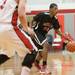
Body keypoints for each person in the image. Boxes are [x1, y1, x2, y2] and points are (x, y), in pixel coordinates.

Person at [0, 0, 38, 75]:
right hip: (10, 27)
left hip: (1, 28)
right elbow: (21, 14)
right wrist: (27, 28)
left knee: (7, 53)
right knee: (32, 51)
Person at [34, 3, 70, 74]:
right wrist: (30, 29)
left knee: (42, 53)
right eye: (55, 8)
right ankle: (44, 67)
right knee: (46, 45)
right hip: (36, 33)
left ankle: (37, 63)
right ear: (50, 9)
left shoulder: (55, 20)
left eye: (57, 9)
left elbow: (57, 31)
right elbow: (34, 19)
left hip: (43, 35)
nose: (57, 10)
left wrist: (65, 36)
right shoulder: (43, 15)